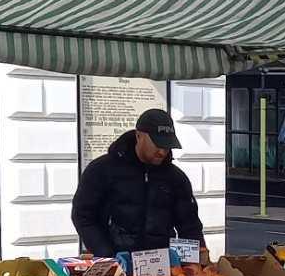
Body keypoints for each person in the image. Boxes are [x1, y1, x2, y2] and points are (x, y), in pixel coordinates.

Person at [71, 108, 205, 258]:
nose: (162, 151)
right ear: (139, 135)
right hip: (114, 264)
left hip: (162, 268)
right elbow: (83, 216)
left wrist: (198, 260)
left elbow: (189, 225)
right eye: (157, 144)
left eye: (167, 146)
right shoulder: (101, 170)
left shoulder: (176, 178)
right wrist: (106, 254)